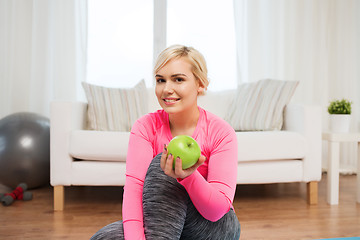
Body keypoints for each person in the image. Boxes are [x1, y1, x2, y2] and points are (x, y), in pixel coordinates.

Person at [91, 45, 240, 240]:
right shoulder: (145, 127)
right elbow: (134, 193)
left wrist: (188, 177)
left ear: (200, 84)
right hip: (162, 224)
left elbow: (216, 211)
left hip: (213, 228)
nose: (166, 89)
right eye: (161, 80)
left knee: (162, 164)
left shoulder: (221, 132)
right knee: (105, 238)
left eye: (178, 79)